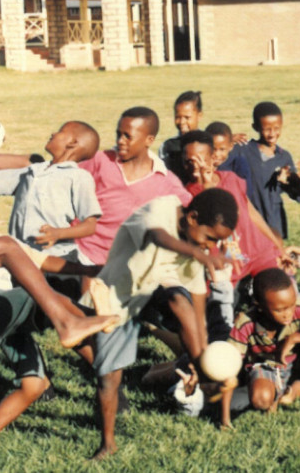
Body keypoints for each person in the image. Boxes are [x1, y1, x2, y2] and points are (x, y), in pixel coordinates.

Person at [0, 202, 118, 451]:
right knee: (48, 296)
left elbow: (42, 261)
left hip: (9, 318)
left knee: (33, 385)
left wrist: (89, 269)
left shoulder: (0, 239)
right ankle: (82, 330)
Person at [78, 188, 237, 459]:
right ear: (192, 217)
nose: (210, 247)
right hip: (117, 298)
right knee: (109, 378)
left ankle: (204, 381)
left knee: (182, 306)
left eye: (214, 244)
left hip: (156, 294)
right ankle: (108, 444)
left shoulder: (196, 248)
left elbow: (196, 302)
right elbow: (156, 236)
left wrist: (200, 357)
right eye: (209, 238)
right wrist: (199, 255)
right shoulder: (160, 210)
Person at [0, 120, 101, 260]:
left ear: (72, 143)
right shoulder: (34, 170)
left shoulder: (79, 177)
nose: (53, 133)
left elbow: (90, 225)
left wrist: (58, 233)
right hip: (20, 257)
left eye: (60, 132)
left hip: (56, 258)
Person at [179, 130, 283, 340]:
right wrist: (205, 184)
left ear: (213, 158)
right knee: (220, 318)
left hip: (256, 251)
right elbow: (210, 219)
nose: (196, 166)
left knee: (280, 292)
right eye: (190, 161)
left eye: (201, 159)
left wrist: (276, 245)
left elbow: (250, 211)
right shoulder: (187, 194)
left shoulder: (231, 178)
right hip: (225, 262)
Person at [219, 268, 300, 430]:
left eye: (291, 306)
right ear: (259, 306)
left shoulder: (297, 308)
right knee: (261, 399)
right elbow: (228, 370)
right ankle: (285, 393)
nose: (288, 314)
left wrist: (294, 338)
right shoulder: (246, 323)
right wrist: (225, 420)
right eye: (279, 310)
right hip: (268, 367)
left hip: (297, 362)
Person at [78, 107, 193, 266]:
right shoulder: (101, 160)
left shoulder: (166, 182)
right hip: (82, 254)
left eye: (128, 136)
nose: (120, 141)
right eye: (119, 134)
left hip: (124, 265)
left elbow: (195, 212)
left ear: (149, 140)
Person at [233, 102, 300, 240]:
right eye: (267, 129)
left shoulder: (284, 157)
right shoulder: (243, 150)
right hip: (249, 220)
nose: (272, 133)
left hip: (274, 221)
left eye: (277, 128)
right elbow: (215, 154)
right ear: (256, 127)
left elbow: (295, 193)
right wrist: (228, 141)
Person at [158, 91, 204, 184]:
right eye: (178, 117)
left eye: (187, 117)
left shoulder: (207, 142)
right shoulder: (168, 146)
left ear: (199, 116)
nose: (182, 122)